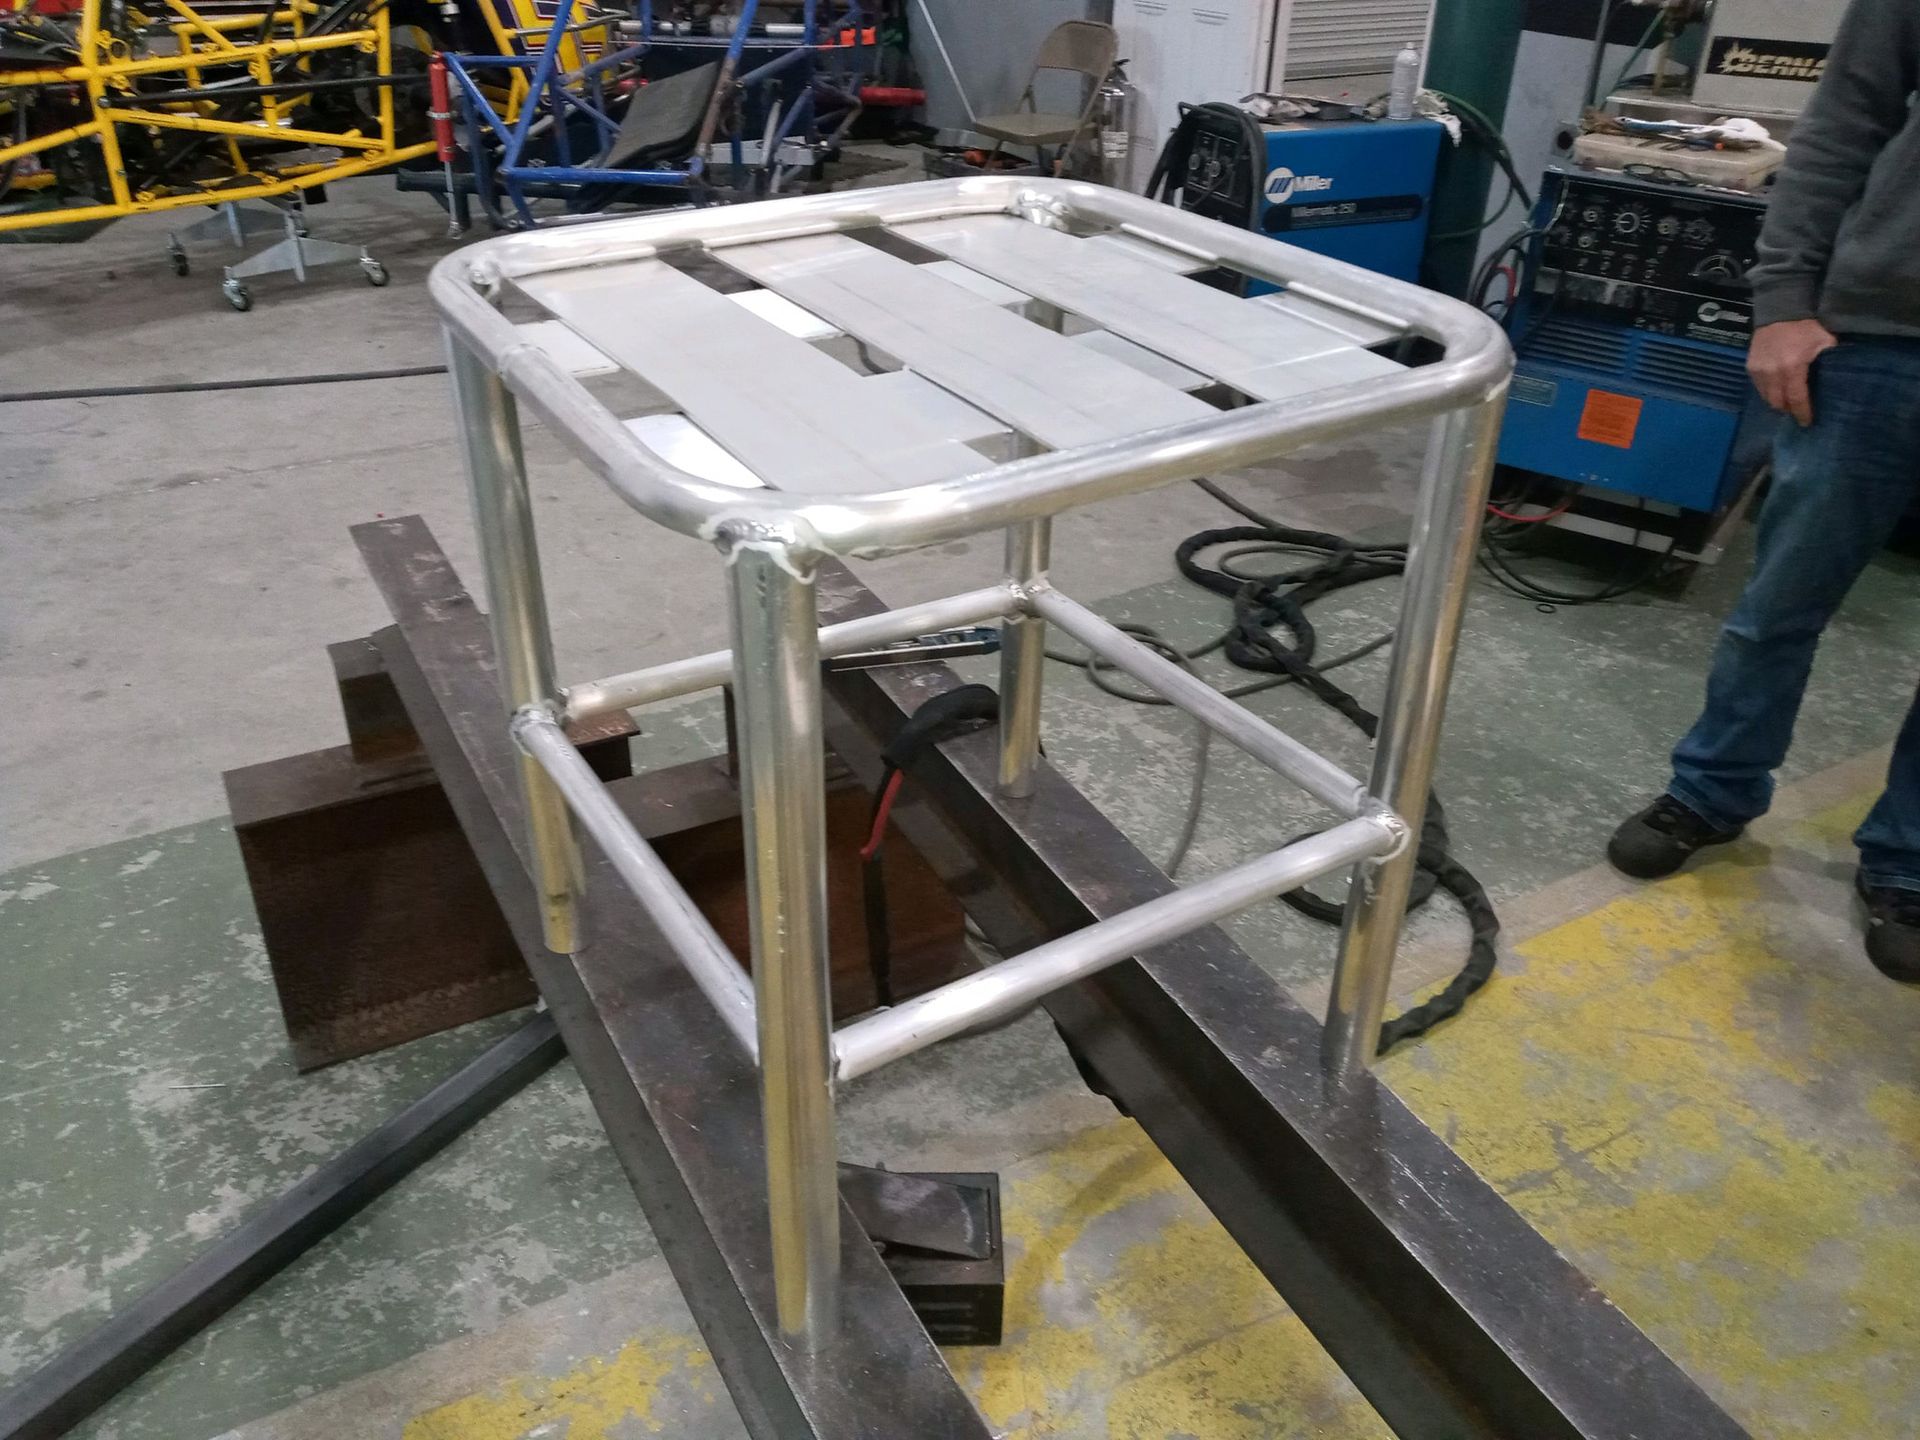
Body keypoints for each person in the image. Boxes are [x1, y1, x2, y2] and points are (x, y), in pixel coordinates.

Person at [1606, 0, 1920, 981]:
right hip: (1880, 340)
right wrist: (1783, 300)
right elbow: (1844, 126)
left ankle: (1909, 859)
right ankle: (1712, 789)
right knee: (1779, 603)